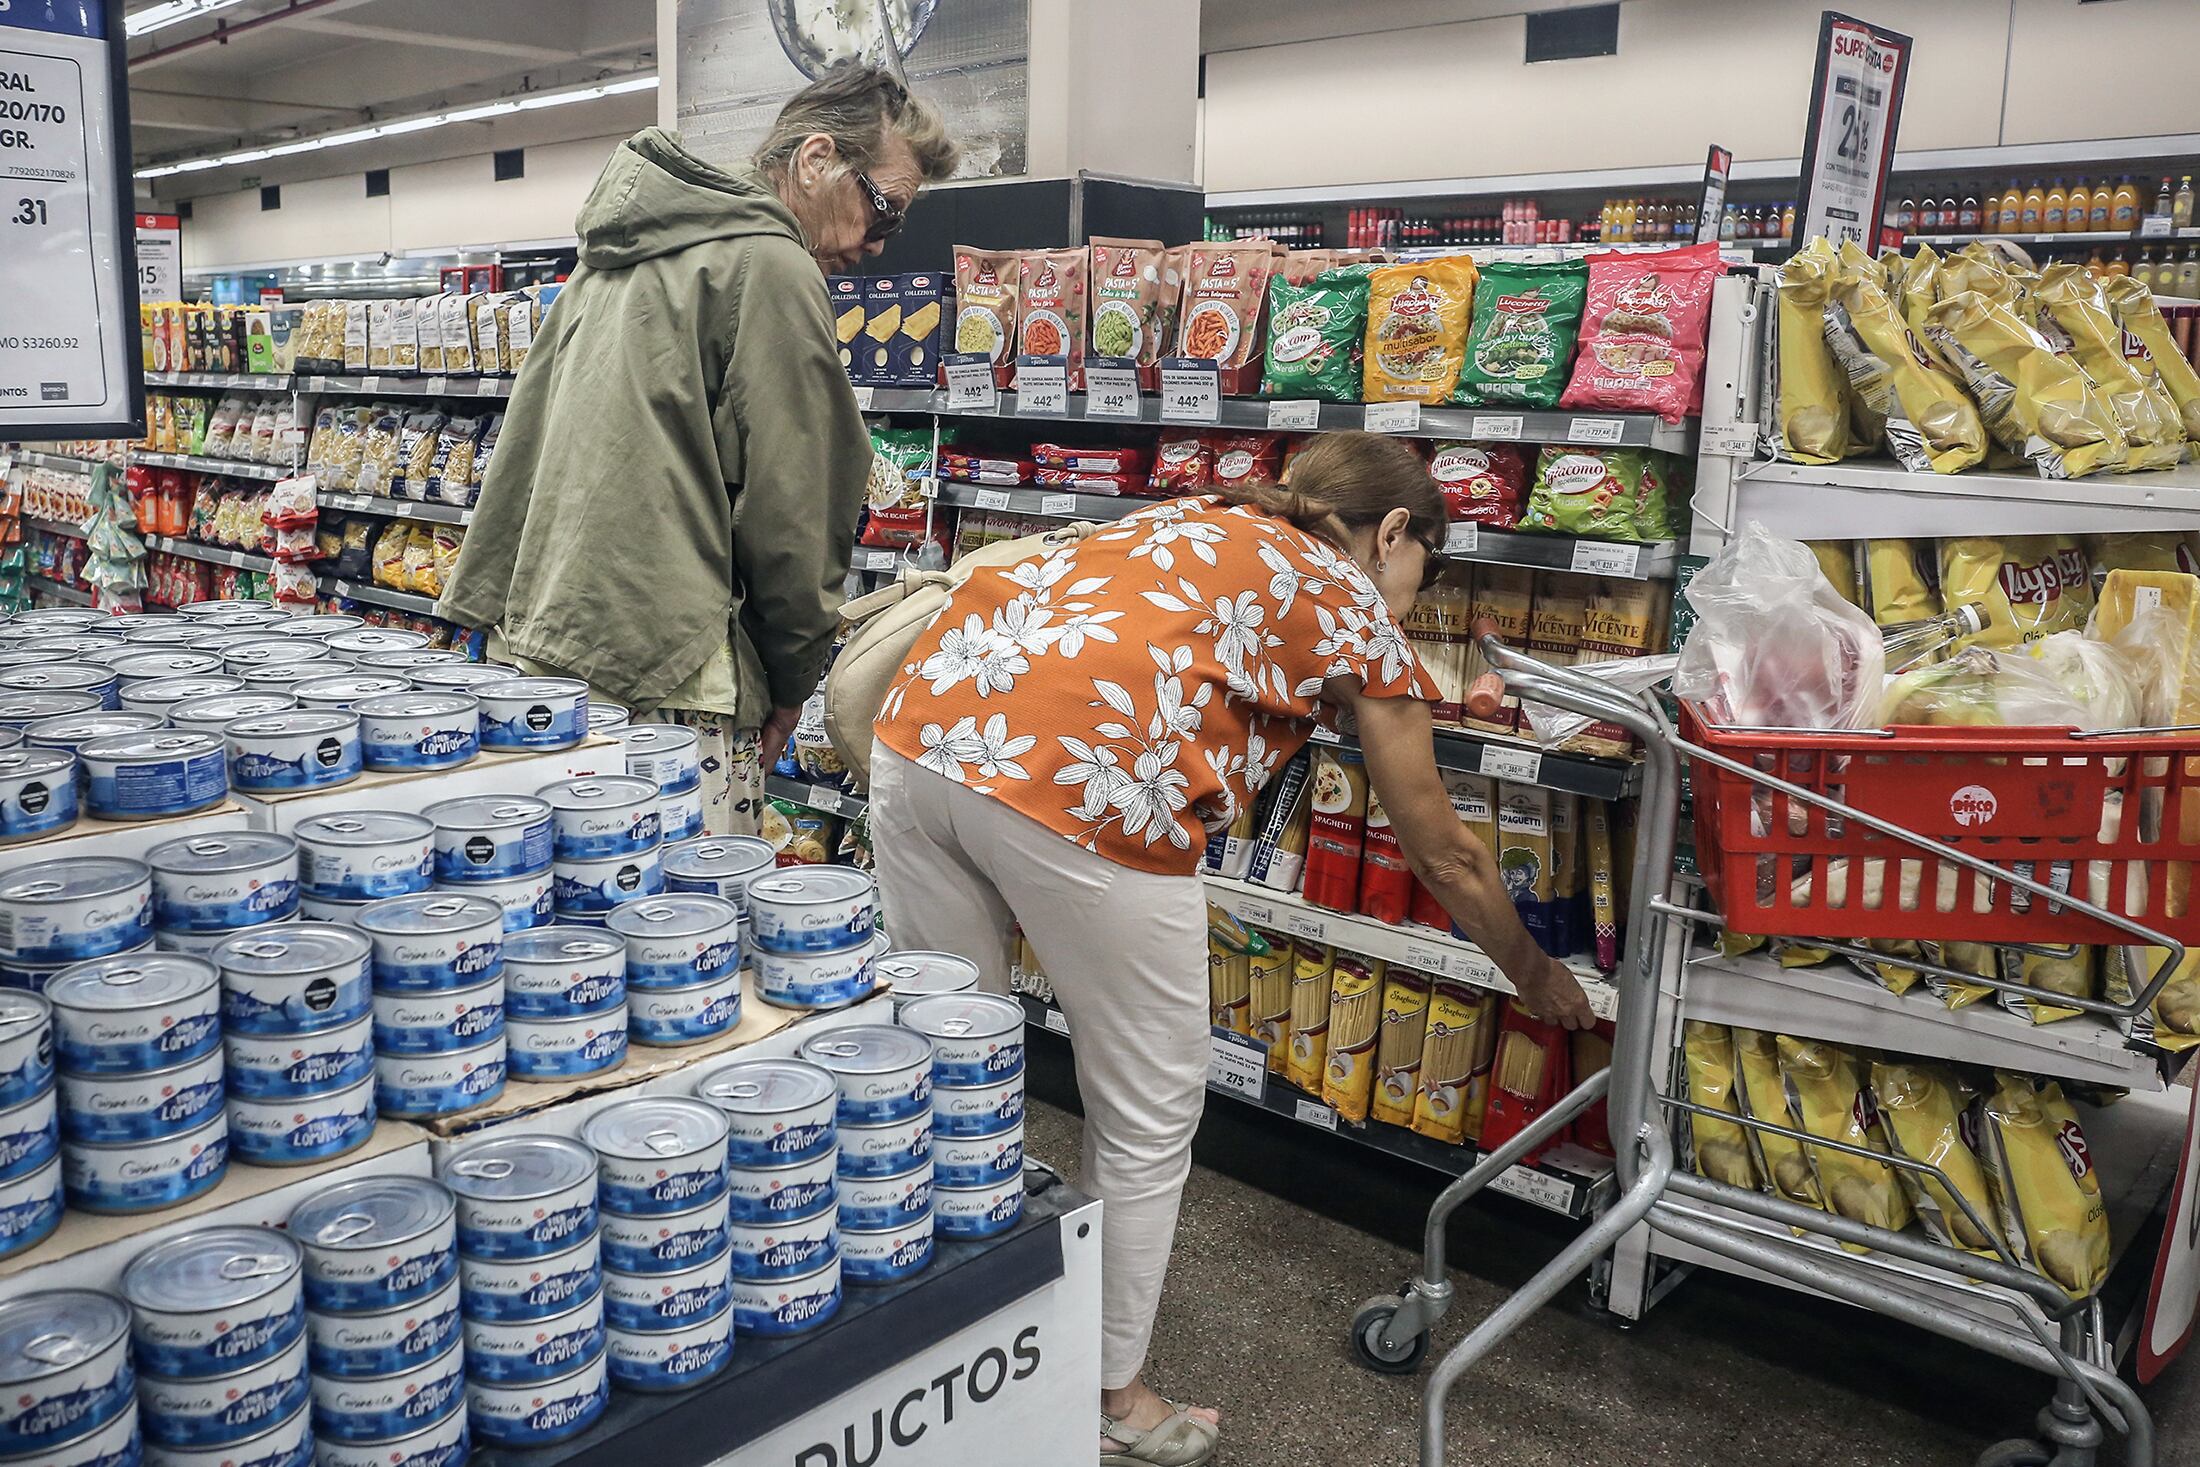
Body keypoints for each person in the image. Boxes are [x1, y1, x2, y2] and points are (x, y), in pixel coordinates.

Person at [868, 432, 1594, 1467]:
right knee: (1149, 1103)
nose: (1412, 596)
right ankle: (1107, 1397)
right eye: (1421, 569)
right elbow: (1445, 852)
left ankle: (933, 1333)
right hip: (1087, 787)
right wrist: (1535, 973)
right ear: (1392, 533)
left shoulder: (1177, 516)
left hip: (918, 738)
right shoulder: (1347, 599)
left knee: (957, 1062)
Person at [440, 64, 955, 835]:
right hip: (671, 670)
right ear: (816, 161)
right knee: (686, 932)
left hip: (542, 648)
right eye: (885, 209)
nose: (876, 244)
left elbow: (527, 436)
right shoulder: (772, 266)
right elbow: (796, 506)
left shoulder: (613, 256)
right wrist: (792, 681)